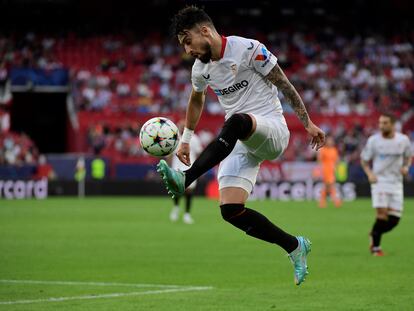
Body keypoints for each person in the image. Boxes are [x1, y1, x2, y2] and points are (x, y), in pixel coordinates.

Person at [156, 6, 325, 285]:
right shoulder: (200, 70)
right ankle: (295, 246)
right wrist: (185, 139)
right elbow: (196, 100)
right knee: (230, 210)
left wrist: (307, 122)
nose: (187, 50)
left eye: (188, 41)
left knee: (235, 121)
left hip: (270, 129)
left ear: (205, 31)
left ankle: (185, 179)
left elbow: (283, 83)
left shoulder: (249, 49)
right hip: (239, 138)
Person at [361, 113, 412, 256]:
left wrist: (406, 167)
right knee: (382, 215)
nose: (381, 126)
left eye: (385, 123)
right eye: (380, 123)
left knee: (394, 220)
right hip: (380, 182)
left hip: (396, 183)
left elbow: (408, 157)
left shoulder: (403, 140)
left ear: (393, 124)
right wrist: (370, 174)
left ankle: (374, 233)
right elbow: (364, 160)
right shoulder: (373, 141)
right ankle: (376, 248)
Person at [170, 120, 203, 224]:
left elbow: (198, 154)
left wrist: (199, 168)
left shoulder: (195, 139)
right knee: (176, 189)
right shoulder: (174, 138)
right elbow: (170, 154)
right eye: (180, 126)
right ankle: (176, 208)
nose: (182, 127)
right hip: (176, 167)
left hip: (190, 167)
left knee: (189, 190)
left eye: (184, 126)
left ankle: (187, 214)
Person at [317, 136, 342, 208]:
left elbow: (337, 160)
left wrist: (336, 166)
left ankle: (322, 202)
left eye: (331, 141)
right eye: (329, 141)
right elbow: (319, 160)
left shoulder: (334, 150)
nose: (330, 142)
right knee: (330, 185)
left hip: (332, 169)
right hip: (326, 169)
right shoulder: (323, 150)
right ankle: (336, 202)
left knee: (327, 187)